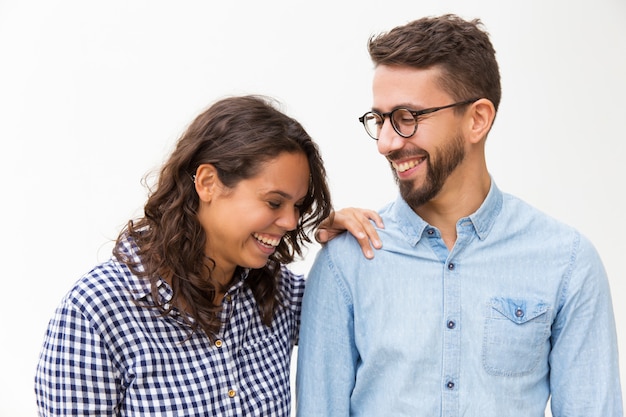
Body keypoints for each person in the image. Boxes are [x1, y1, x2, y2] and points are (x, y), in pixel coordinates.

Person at [296, 14, 622, 417]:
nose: (385, 142)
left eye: (407, 118)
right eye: (379, 119)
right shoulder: (345, 263)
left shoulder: (567, 261)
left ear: (477, 119)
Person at [34, 95, 382, 416]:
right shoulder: (96, 312)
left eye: (298, 206)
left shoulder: (278, 295)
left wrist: (344, 242)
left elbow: (372, 332)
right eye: (275, 202)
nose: (291, 222)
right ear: (208, 183)